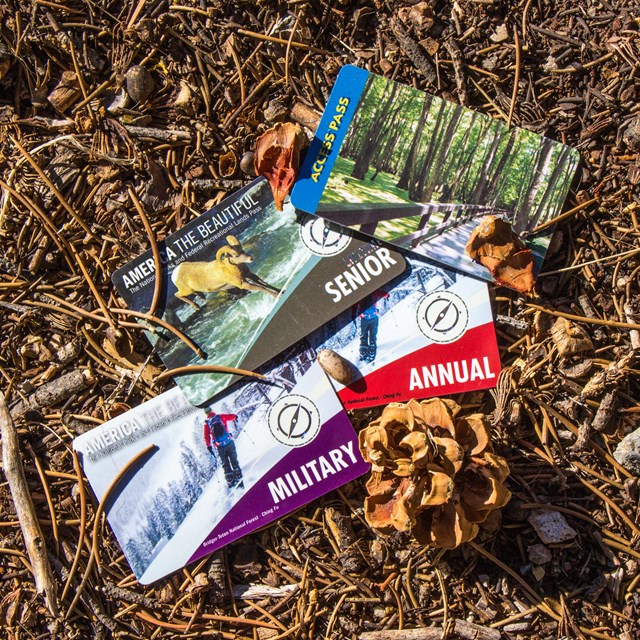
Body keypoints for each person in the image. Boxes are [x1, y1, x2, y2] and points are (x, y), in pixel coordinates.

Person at [203, 410, 243, 489]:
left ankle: (230, 481)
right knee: (234, 459)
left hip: (220, 447)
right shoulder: (220, 416)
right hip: (229, 442)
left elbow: (206, 437)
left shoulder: (207, 424)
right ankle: (238, 476)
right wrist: (235, 417)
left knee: (225, 464)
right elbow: (231, 416)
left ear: (206, 414)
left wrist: (209, 446)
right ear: (212, 411)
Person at [352, 290, 389, 363]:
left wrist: (354, 315)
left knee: (364, 335)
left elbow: (354, 306)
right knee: (373, 335)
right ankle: (372, 353)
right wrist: (387, 296)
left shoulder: (358, 294)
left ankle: (363, 352)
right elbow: (385, 294)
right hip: (373, 317)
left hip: (364, 319)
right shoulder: (374, 291)